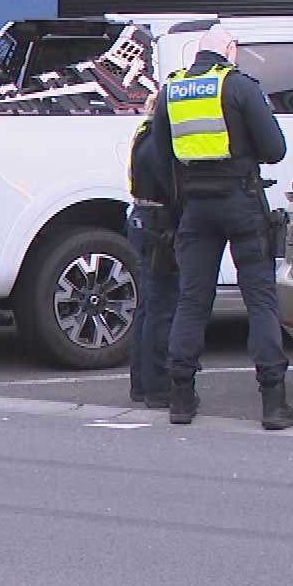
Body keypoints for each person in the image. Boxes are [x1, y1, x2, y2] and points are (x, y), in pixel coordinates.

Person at [148, 26, 293, 430]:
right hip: (241, 202)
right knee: (260, 300)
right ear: (230, 51)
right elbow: (274, 150)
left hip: (195, 209)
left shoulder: (173, 91)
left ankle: (181, 398)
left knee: (193, 300)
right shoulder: (239, 88)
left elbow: (160, 159)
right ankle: (273, 403)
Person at [126, 91, 179, 409]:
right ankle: (158, 386)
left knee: (147, 307)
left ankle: (141, 384)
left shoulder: (143, 133)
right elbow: (169, 184)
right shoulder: (160, 139)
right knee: (162, 307)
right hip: (158, 222)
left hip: (141, 219)